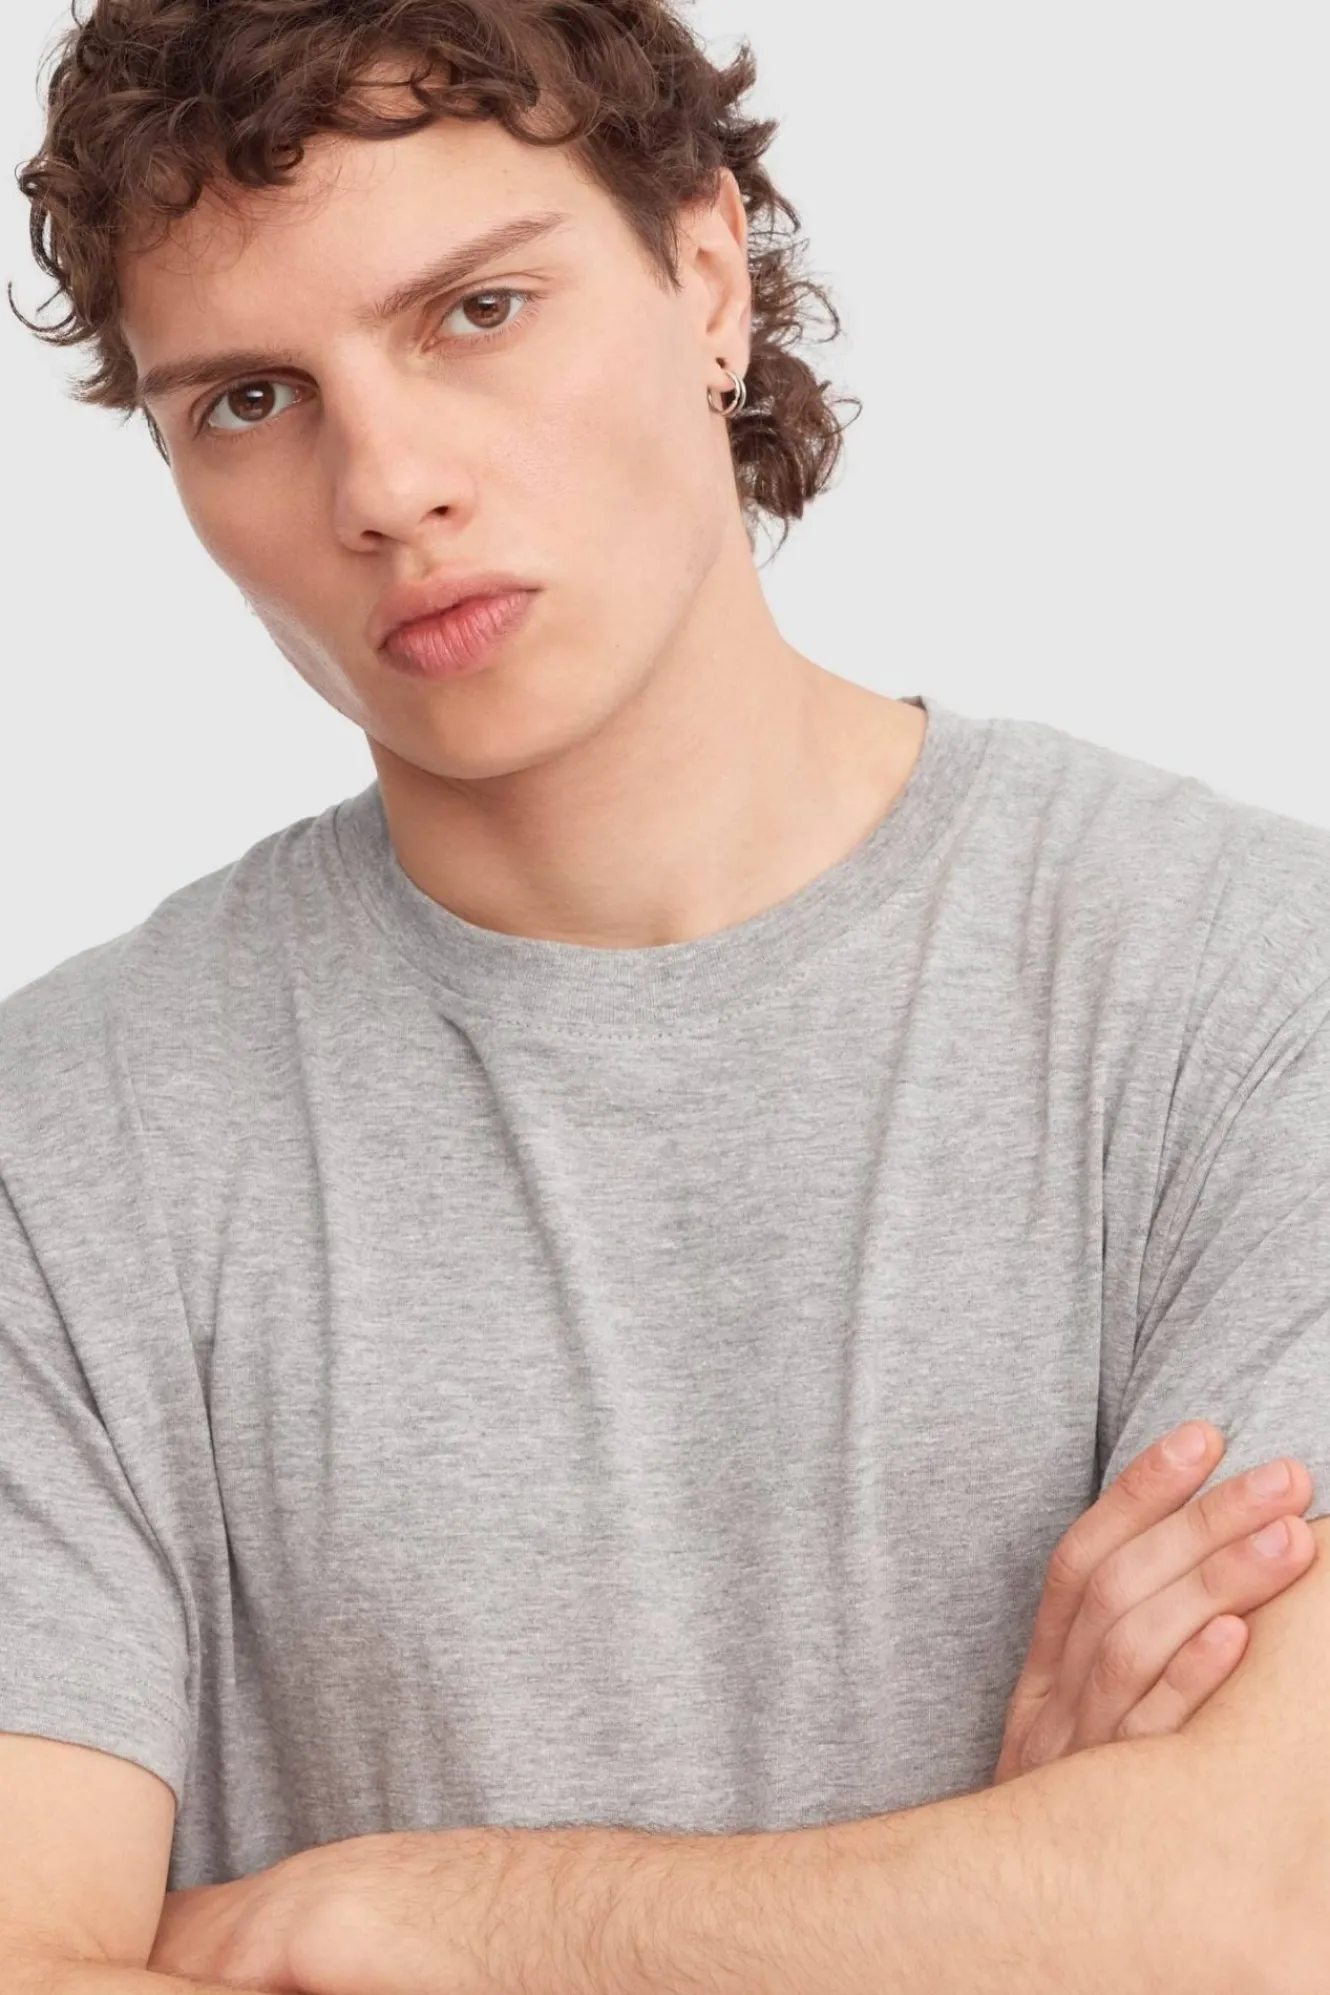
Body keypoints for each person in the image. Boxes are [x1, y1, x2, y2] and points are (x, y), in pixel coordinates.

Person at [3, 3, 1328, 1990]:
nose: (388, 484)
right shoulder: (64, 1148)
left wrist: (426, 1921)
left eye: (475, 311)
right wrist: (1002, 1908)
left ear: (706, 273)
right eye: (250, 401)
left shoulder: (1251, 988)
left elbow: (1255, 1908)